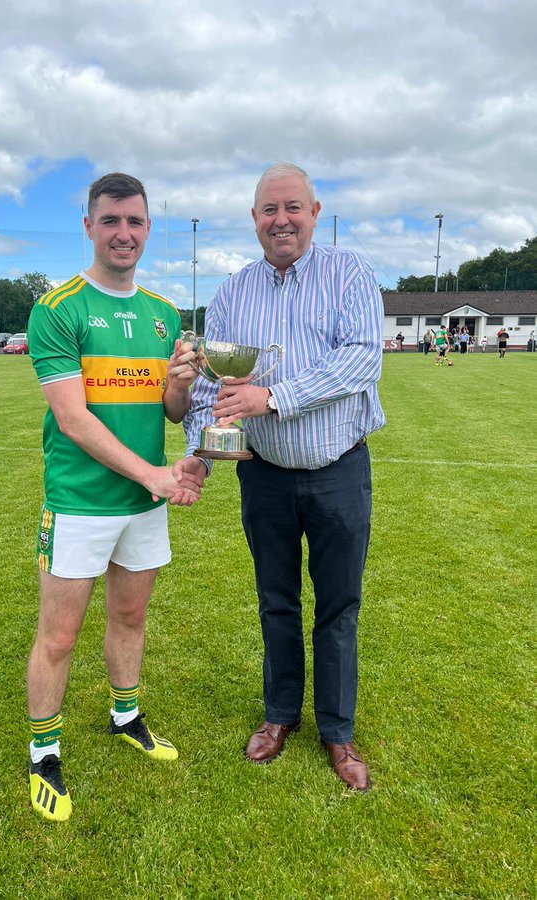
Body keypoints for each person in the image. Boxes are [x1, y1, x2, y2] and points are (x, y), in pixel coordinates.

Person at [182, 162, 386, 792]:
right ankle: (279, 716)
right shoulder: (232, 292)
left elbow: (359, 361)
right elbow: (212, 389)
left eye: (293, 207)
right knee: (276, 602)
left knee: (339, 606)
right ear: (254, 219)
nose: (281, 221)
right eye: (269, 210)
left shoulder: (349, 273)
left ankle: (338, 729)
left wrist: (273, 397)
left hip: (337, 470)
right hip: (264, 475)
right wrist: (200, 452)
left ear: (315, 212)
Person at [25, 172, 202, 821]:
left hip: (143, 506)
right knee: (60, 635)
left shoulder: (163, 315)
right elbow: (73, 419)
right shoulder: (59, 307)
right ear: (89, 227)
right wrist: (153, 476)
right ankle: (44, 753)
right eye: (110, 221)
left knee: (130, 617)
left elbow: (174, 411)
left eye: (134, 221)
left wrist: (180, 384)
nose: (123, 233)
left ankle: (124, 717)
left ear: (147, 228)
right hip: (78, 502)